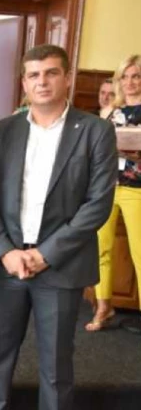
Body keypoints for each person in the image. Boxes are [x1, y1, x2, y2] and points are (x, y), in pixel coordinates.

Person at [0, 44, 116, 410]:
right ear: (24, 83)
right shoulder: (5, 129)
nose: (42, 81)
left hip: (60, 266)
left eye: (51, 73)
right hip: (9, 262)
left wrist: (45, 254)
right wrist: (5, 250)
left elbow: (97, 204)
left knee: (55, 359)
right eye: (34, 75)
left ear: (67, 78)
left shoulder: (94, 131)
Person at [87, 55, 141, 333]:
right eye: (125, 77)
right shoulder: (109, 112)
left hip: (137, 188)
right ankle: (103, 307)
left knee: (139, 254)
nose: (130, 82)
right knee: (101, 250)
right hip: (106, 186)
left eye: (136, 76)